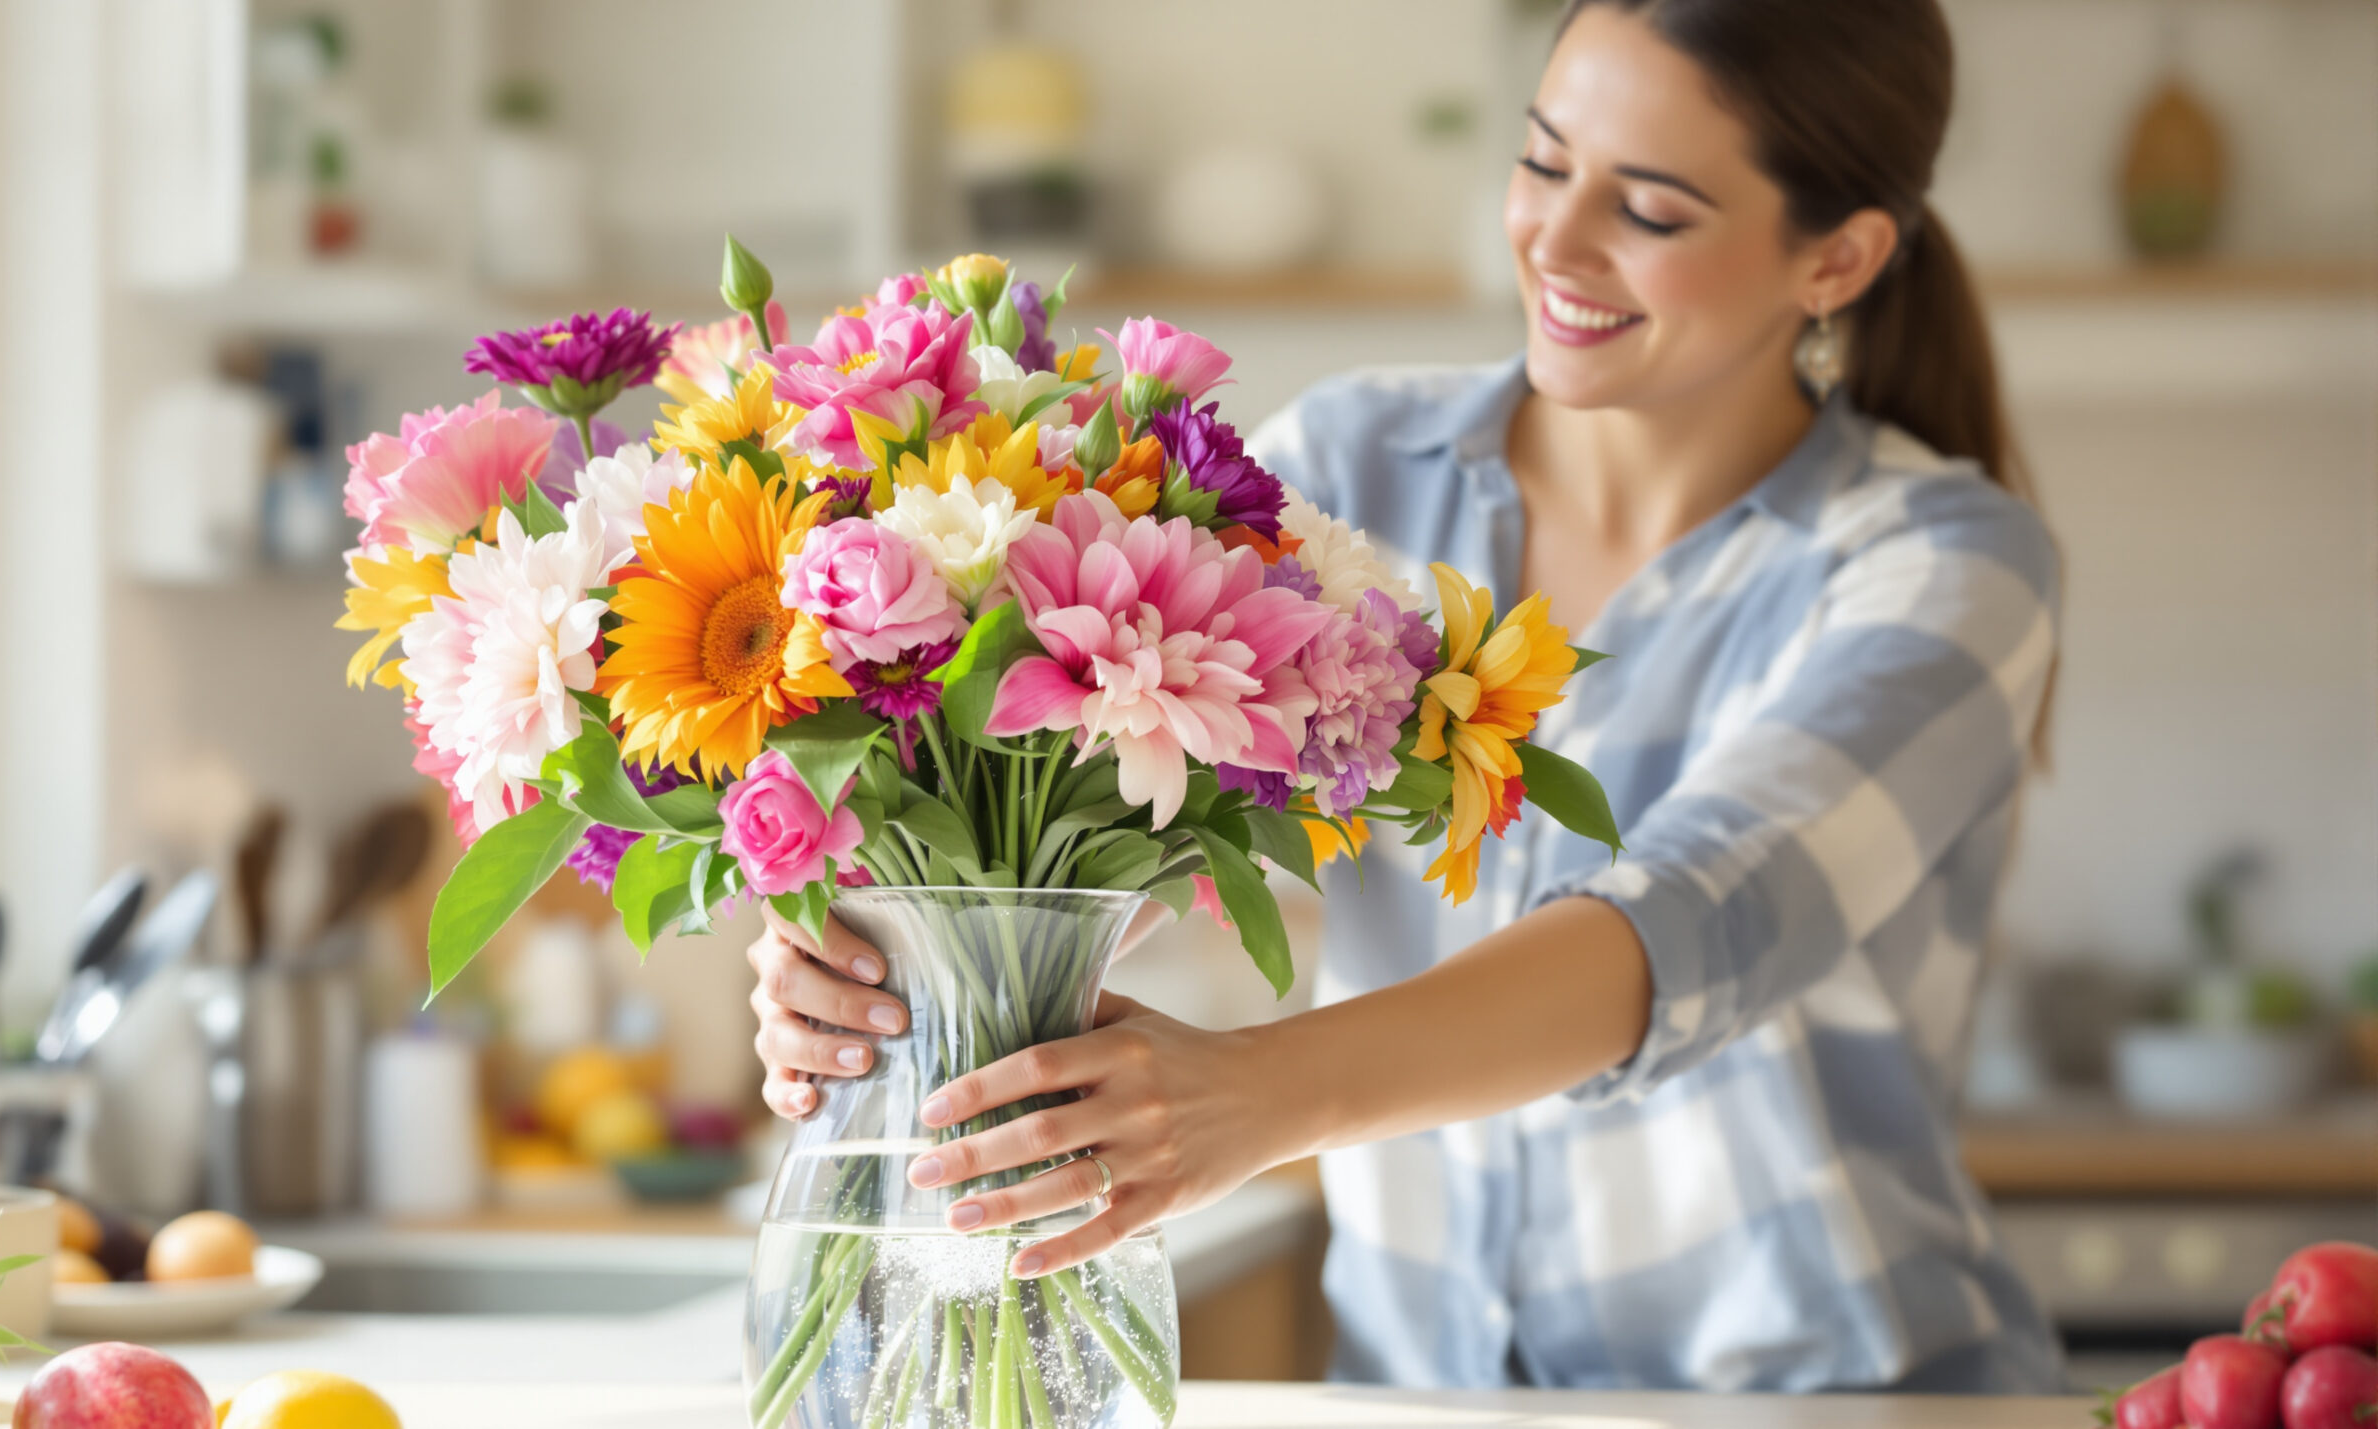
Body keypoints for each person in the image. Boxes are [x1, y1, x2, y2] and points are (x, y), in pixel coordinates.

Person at [746, 0, 2064, 1393]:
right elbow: (1102, 822)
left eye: (1654, 211)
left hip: (1835, 1409)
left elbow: (1691, 922)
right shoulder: (1351, 468)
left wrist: (1256, 1095)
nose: (1554, 242)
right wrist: (891, 953)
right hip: (1429, 1396)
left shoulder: (1943, 566)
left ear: (1839, 256)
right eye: (1546, 161)